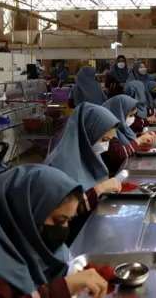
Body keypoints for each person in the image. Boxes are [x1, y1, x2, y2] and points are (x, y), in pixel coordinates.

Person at [0, 164, 109, 298]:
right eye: (59, 220)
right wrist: (58, 291)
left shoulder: (17, 243)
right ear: (27, 213)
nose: (64, 229)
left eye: (67, 220)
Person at [45, 103, 122, 243]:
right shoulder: (61, 163)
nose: (105, 146)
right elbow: (63, 211)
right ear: (88, 134)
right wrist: (100, 189)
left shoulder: (88, 154)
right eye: (104, 140)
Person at [101, 95, 156, 176]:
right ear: (120, 113)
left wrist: (142, 136)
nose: (133, 118)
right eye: (130, 115)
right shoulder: (106, 128)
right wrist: (139, 140)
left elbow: (124, 138)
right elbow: (117, 154)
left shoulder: (120, 126)